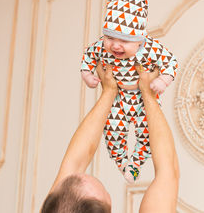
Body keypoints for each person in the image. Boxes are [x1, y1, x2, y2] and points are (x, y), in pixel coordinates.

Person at [41, 63, 179, 212]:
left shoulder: (62, 207)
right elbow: (167, 170)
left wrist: (109, 91)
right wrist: (148, 94)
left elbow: (74, 163)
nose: (70, 173)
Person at [81, 0, 178, 182]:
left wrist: (163, 80)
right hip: (117, 96)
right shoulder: (101, 46)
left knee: (148, 133)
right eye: (110, 38)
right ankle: (123, 163)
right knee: (112, 132)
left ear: (139, 41)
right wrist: (87, 75)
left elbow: (171, 63)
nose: (115, 45)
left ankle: (135, 163)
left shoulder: (151, 48)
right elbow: (88, 57)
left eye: (124, 41)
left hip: (143, 96)